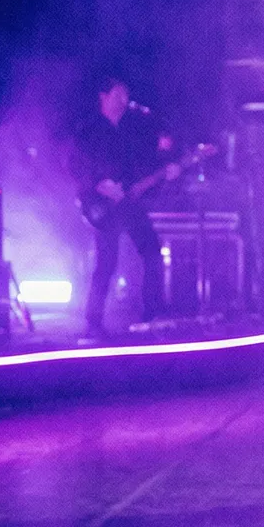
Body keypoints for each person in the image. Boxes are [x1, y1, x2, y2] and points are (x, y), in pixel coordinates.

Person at [75, 75, 177, 336]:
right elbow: (76, 164)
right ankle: (93, 320)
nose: (124, 99)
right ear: (104, 97)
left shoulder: (132, 131)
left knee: (152, 251)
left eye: (126, 94)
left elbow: (142, 167)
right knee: (106, 263)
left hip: (129, 204)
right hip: (102, 206)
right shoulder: (88, 131)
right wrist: (100, 184)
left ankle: (153, 311)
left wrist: (167, 167)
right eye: (118, 94)